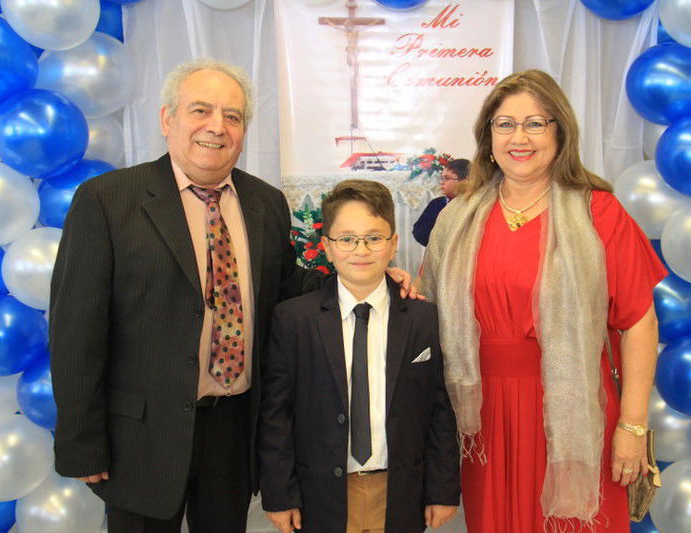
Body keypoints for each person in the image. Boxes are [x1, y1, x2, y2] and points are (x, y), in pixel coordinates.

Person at [49, 59, 415, 533]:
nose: (217, 127)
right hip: (140, 436)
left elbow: (286, 287)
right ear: (167, 119)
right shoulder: (107, 200)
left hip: (234, 430)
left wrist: (369, 279)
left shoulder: (264, 202)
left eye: (233, 116)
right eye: (201, 110)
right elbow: (76, 328)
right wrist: (81, 442)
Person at [420, 70, 667, 532]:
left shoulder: (600, 213)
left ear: (560, 131)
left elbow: (638, 323)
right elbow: (426, 311)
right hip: (483, 419)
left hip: (576, 414)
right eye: (505, 124)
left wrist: (633, 426)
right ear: (488, 136)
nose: (519, 138)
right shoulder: (456, 219)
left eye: (535, 123)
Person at [259, 179, 460, 533]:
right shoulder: (294, 319)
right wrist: (279, 493)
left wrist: (443, 489)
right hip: (320, 491)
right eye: (347, 239)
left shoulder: (423, 319)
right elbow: (277, 413)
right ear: (327, 246)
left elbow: (440, 411)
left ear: (393, 243)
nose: (361, 250)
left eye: (374, 237)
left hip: (399, 488)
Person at [412, 158, 469, 246]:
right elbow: (419, 232)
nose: (442, 182)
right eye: (441, 178)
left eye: (447, 178)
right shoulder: (436, 204)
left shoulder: (471, 206)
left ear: (464, 181)